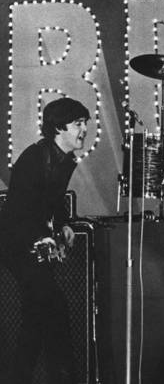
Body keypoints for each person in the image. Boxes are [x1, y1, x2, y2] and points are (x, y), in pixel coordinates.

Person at [0, 97, 90, 384]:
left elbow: (51, 200)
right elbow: (19, 209)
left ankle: (19, 377)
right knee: (56, 311)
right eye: (78, 123)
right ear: (59, 127)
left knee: (35, 319)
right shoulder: (34, 158)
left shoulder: (65, 159)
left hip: (34, 245)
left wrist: (62, 224)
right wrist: (41, 239)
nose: (85, 129)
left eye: (85, 123)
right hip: (18, 245)